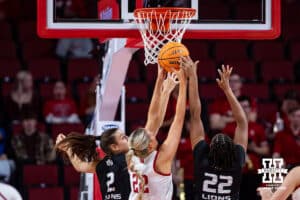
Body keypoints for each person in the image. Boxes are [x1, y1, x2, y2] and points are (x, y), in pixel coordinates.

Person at [55, 65, 178, 200]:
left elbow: (79, 165)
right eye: (123, 137)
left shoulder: (101, 165)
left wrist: (67, 148)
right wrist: (164, 89)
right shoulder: (129, 157)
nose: (129, 138)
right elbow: (154, 120)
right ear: (114, 147)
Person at [184, 59, 248, 200]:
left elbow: (195, 115)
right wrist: (227, 89)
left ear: (210, 149)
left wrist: (193, 77)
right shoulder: (236, 161)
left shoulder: (202, 159)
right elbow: (243, 123)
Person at [126, 67, 186, 200]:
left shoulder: (133, 154)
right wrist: (183, 83)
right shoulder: (160, 160)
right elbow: (179, 119)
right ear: (149, 146)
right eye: (150, 136)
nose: (153, 133)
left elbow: (153, 118)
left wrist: (160, 81)